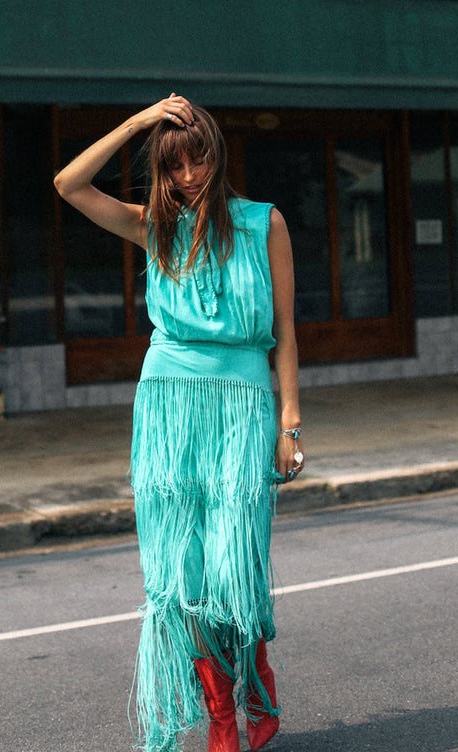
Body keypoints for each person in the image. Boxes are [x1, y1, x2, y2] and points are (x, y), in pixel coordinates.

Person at [54, 93, 303, 752]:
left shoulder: (263, 224)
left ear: (216, 157)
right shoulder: (154, 227)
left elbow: (285, 331)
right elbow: (68, 183)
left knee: (232, 565)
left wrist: (291, 422)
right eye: (173, 167)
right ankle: (222, 715)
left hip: (244, 404)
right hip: (167, 405)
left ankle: (255, 676)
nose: (188, 176)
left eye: (197, 160)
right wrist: (139, 124)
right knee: (183, 572)